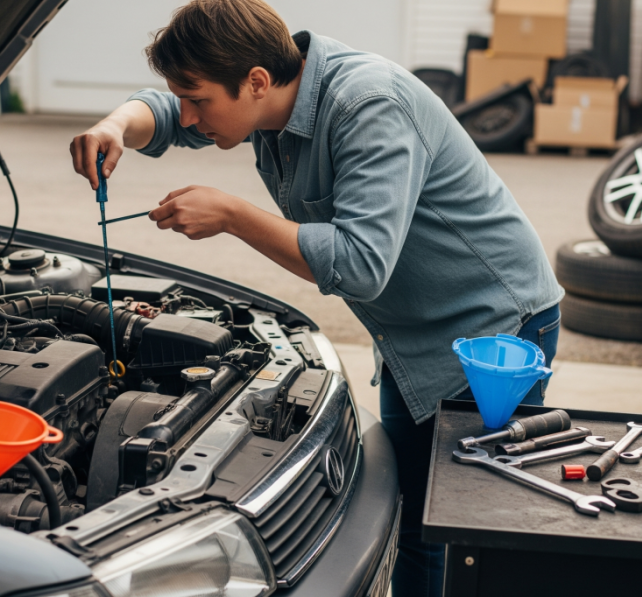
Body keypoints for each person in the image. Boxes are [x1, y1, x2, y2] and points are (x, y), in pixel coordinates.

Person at [69, 1, 563, 594]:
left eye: (199, 101)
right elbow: (166, 112)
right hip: (413, 332)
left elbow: (360, 263)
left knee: (459, 538)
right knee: (411, 517)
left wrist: (232, 214)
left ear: (255, 81)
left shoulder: (367, 105)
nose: (191, 117)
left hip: (493, 330)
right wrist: (117, 125)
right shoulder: (268, 96)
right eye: (186, 98)